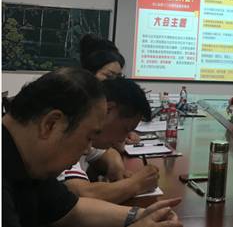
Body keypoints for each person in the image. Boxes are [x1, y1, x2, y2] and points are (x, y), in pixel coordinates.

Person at [2, 67, 181, 227]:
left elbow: (72, 210)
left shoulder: (32, 164)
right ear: (51, 124)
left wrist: (141, 215)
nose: (88, 149)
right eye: (88, 137)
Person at [58, 77, 159, 204]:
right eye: (125, 129)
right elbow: (79, 195)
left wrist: (117, 169)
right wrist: (136, 183)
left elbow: (108, 153)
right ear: (108, 110)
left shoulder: (90, 137)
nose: (123, 138)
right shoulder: (68, 134)